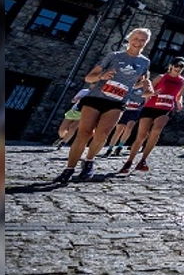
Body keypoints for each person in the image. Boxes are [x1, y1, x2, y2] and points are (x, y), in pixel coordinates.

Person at [53, 27, 154, 183]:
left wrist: (144, 85)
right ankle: (69, 169)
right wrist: (102, 76)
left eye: (142, 40)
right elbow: (88, 78)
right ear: (129, 39)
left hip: (117, 102)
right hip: (96, 98)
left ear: (146, 43)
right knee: (84, 133)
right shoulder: (113, 56)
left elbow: (136, 85)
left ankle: (89, 160)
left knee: (102, 135)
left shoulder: (145, 62)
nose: (138, 42)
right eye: (136, 38)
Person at [118, 57, 184, 174]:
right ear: (171, 65)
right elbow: (146, 93)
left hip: (166, 108)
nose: (179, 68)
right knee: (141, 136)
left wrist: (180, 101)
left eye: (182, 67)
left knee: (156, 131)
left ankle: (143, 160)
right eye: (177, 65)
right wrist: (153, 93)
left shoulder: (183, 81)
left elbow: (179, 95)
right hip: (150, 107)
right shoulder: (161, 77)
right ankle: (129, 161)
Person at [102, 74, 149, 157]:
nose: (141, 77)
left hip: (135, 111)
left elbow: (146, 100)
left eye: (143, 75)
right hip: (125, 109)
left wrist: (142, 109)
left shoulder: (145, 87)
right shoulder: (130, 83)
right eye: (140, 75)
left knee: (129, 128)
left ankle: (119, 147)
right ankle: (110, 148)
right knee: (119, 129)